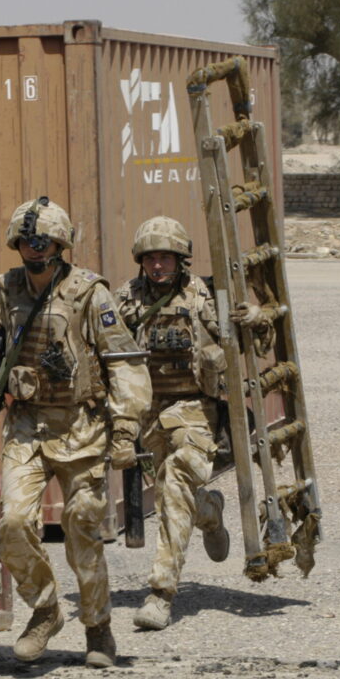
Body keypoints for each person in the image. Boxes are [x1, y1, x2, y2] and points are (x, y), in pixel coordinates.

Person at [0, 197, 151, 667]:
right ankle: (46, 609)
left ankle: (98, 628)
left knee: (82, 529)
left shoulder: (89, 293)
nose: (34, 250)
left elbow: (125, 362)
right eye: (26, 241)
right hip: (27, 426)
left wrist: (125, 428)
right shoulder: (4, 289)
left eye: (44, 241)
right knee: (13, 523)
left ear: (60, 244)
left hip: (82, 428)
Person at [115, 216, 231, 631]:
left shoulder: (203, 296)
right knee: (169, 497)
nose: (158, 265)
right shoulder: (125, 299)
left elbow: (239, 344)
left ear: (181, 259)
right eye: (151, 258)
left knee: (179, 477)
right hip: (148, 411)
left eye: (166, 257)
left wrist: (251, 319)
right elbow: (102, 349)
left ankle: (161, 593)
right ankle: (210, 512)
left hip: (196, 409)